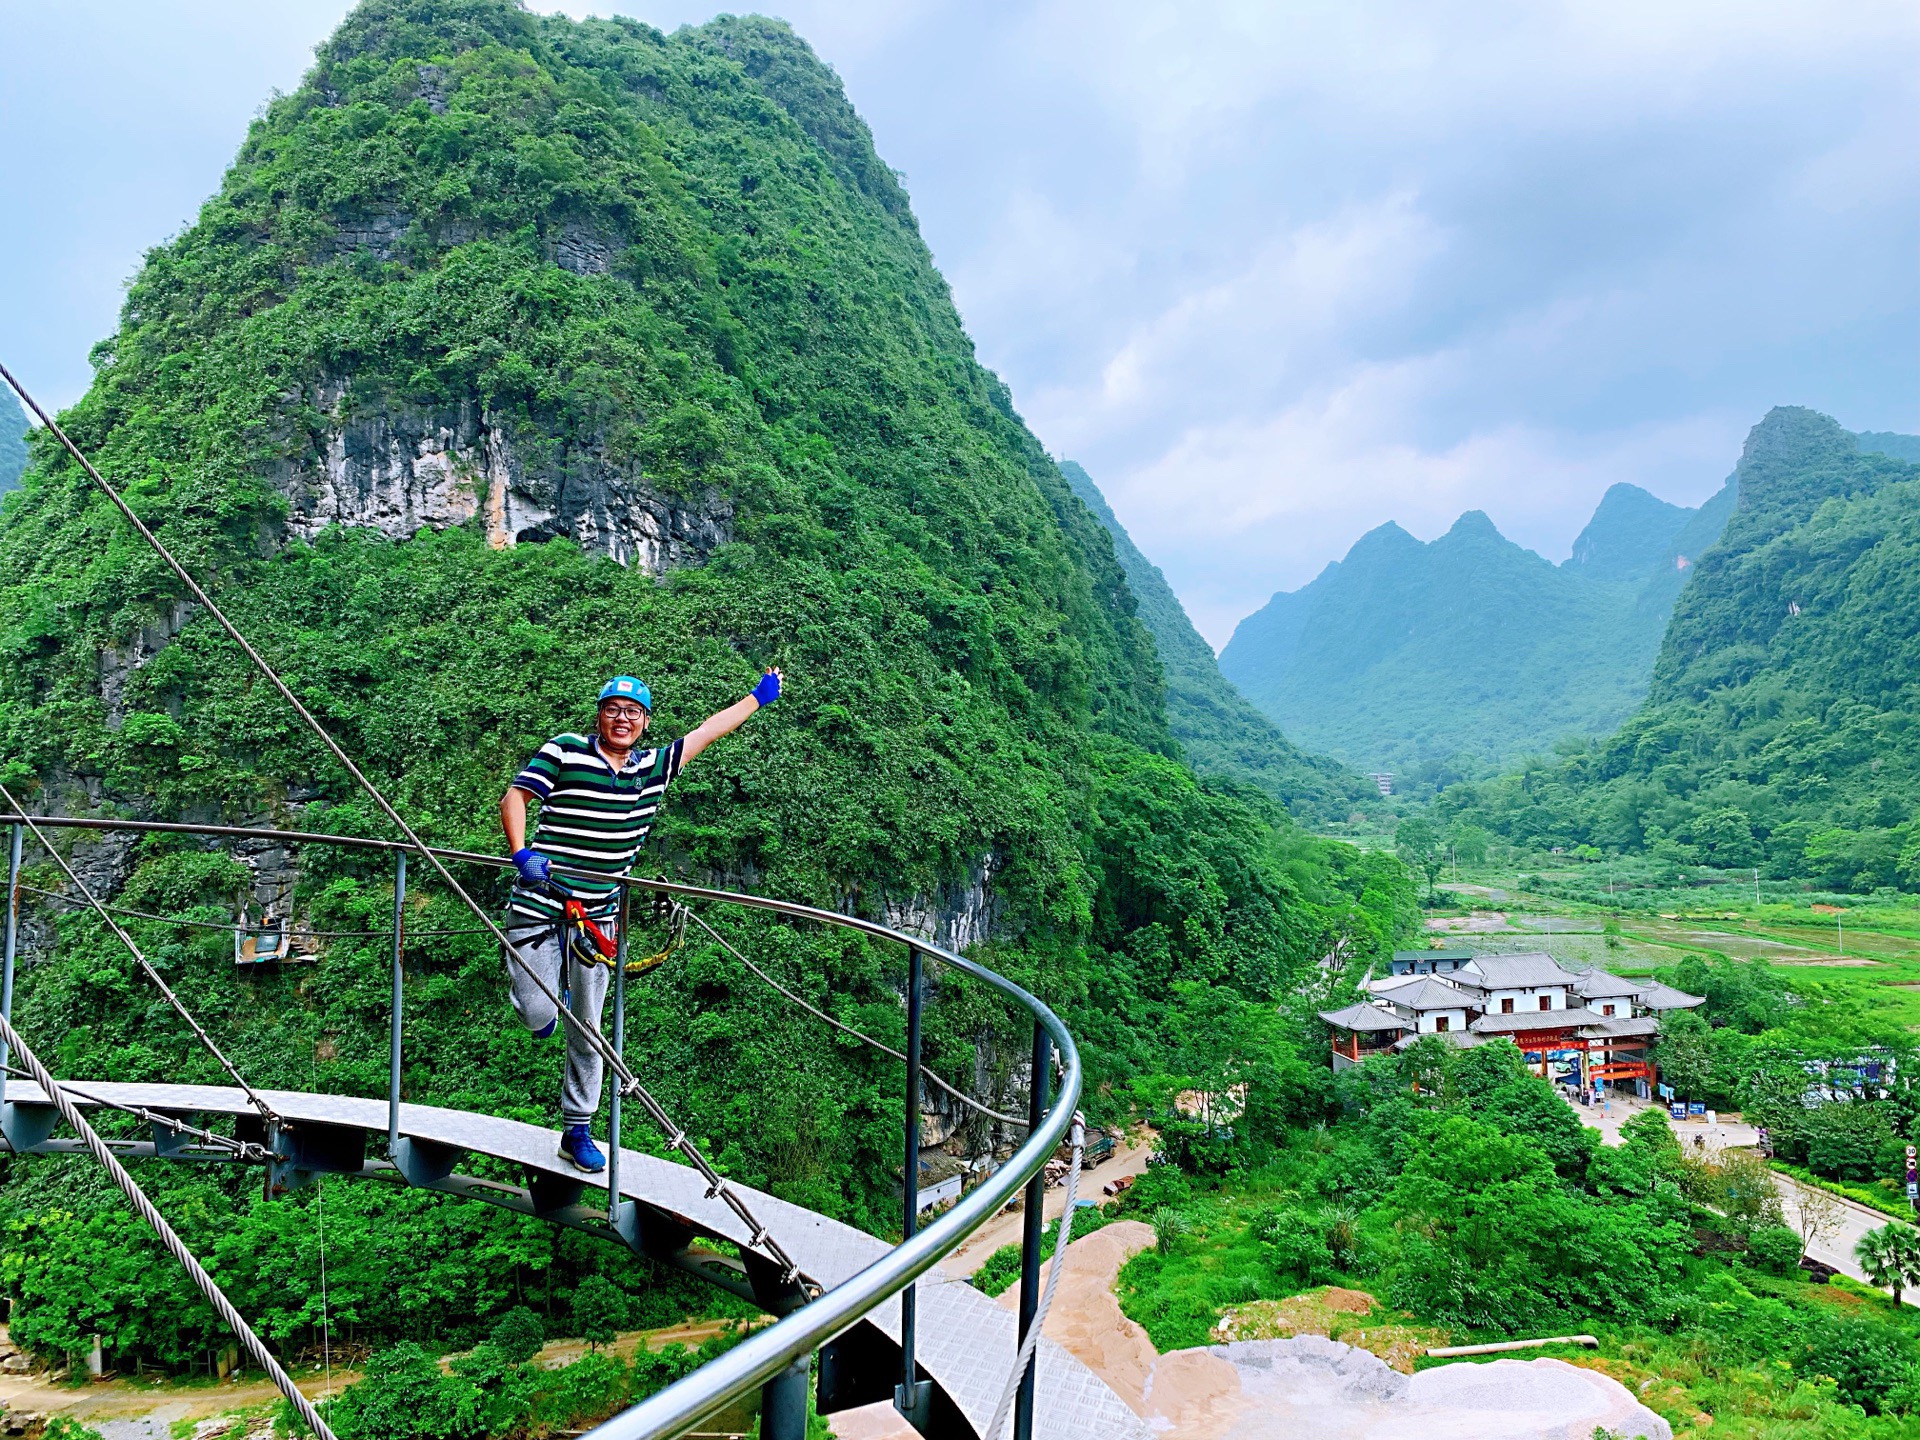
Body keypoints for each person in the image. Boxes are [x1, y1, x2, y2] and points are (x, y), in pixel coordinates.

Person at [500, 668, 782, 1171]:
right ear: (599, 716)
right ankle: (550, 997)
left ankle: (577, 1129)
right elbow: (515, 798)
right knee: (537, 1016)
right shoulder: (564, 750)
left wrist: (757, 698)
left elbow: (709, 731)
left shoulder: (653, 767)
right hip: (538, 903)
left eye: (632, 712)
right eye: (613, 709)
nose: (622, 719)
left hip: (597, 918)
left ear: (645, 722)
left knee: (589, 1028)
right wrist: (522, 854)